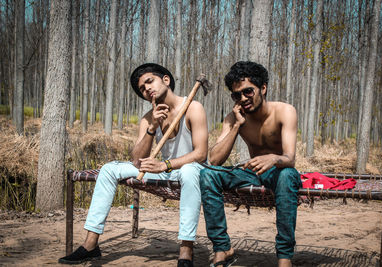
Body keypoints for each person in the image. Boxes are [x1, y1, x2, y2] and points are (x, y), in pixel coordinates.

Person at [59, 63, 208, 267]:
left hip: (191, 171)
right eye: (142, 88)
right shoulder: (148, 118)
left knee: (190, 171)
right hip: (163, 171)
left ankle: (186, 251)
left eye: (149, 81)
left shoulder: (193, 107)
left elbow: (200, 154)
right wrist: (152, 128)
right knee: (110, 168)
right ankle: (91, 245)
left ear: (165, 80)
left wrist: (165, 165)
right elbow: (137, 161)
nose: (147, 89)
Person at [200, 61, 302, 267]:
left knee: (288, 175)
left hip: (280, 172)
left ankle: (284, 256)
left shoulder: (284, 111)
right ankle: (222, 247)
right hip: (253, 173)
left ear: (262, 88)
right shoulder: (234, 117)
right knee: (208, 174)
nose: (243, 98)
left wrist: (274, 158)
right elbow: (215, 160)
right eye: (236, 95)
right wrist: (237, 125)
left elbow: (290, 158)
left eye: (248, 91)